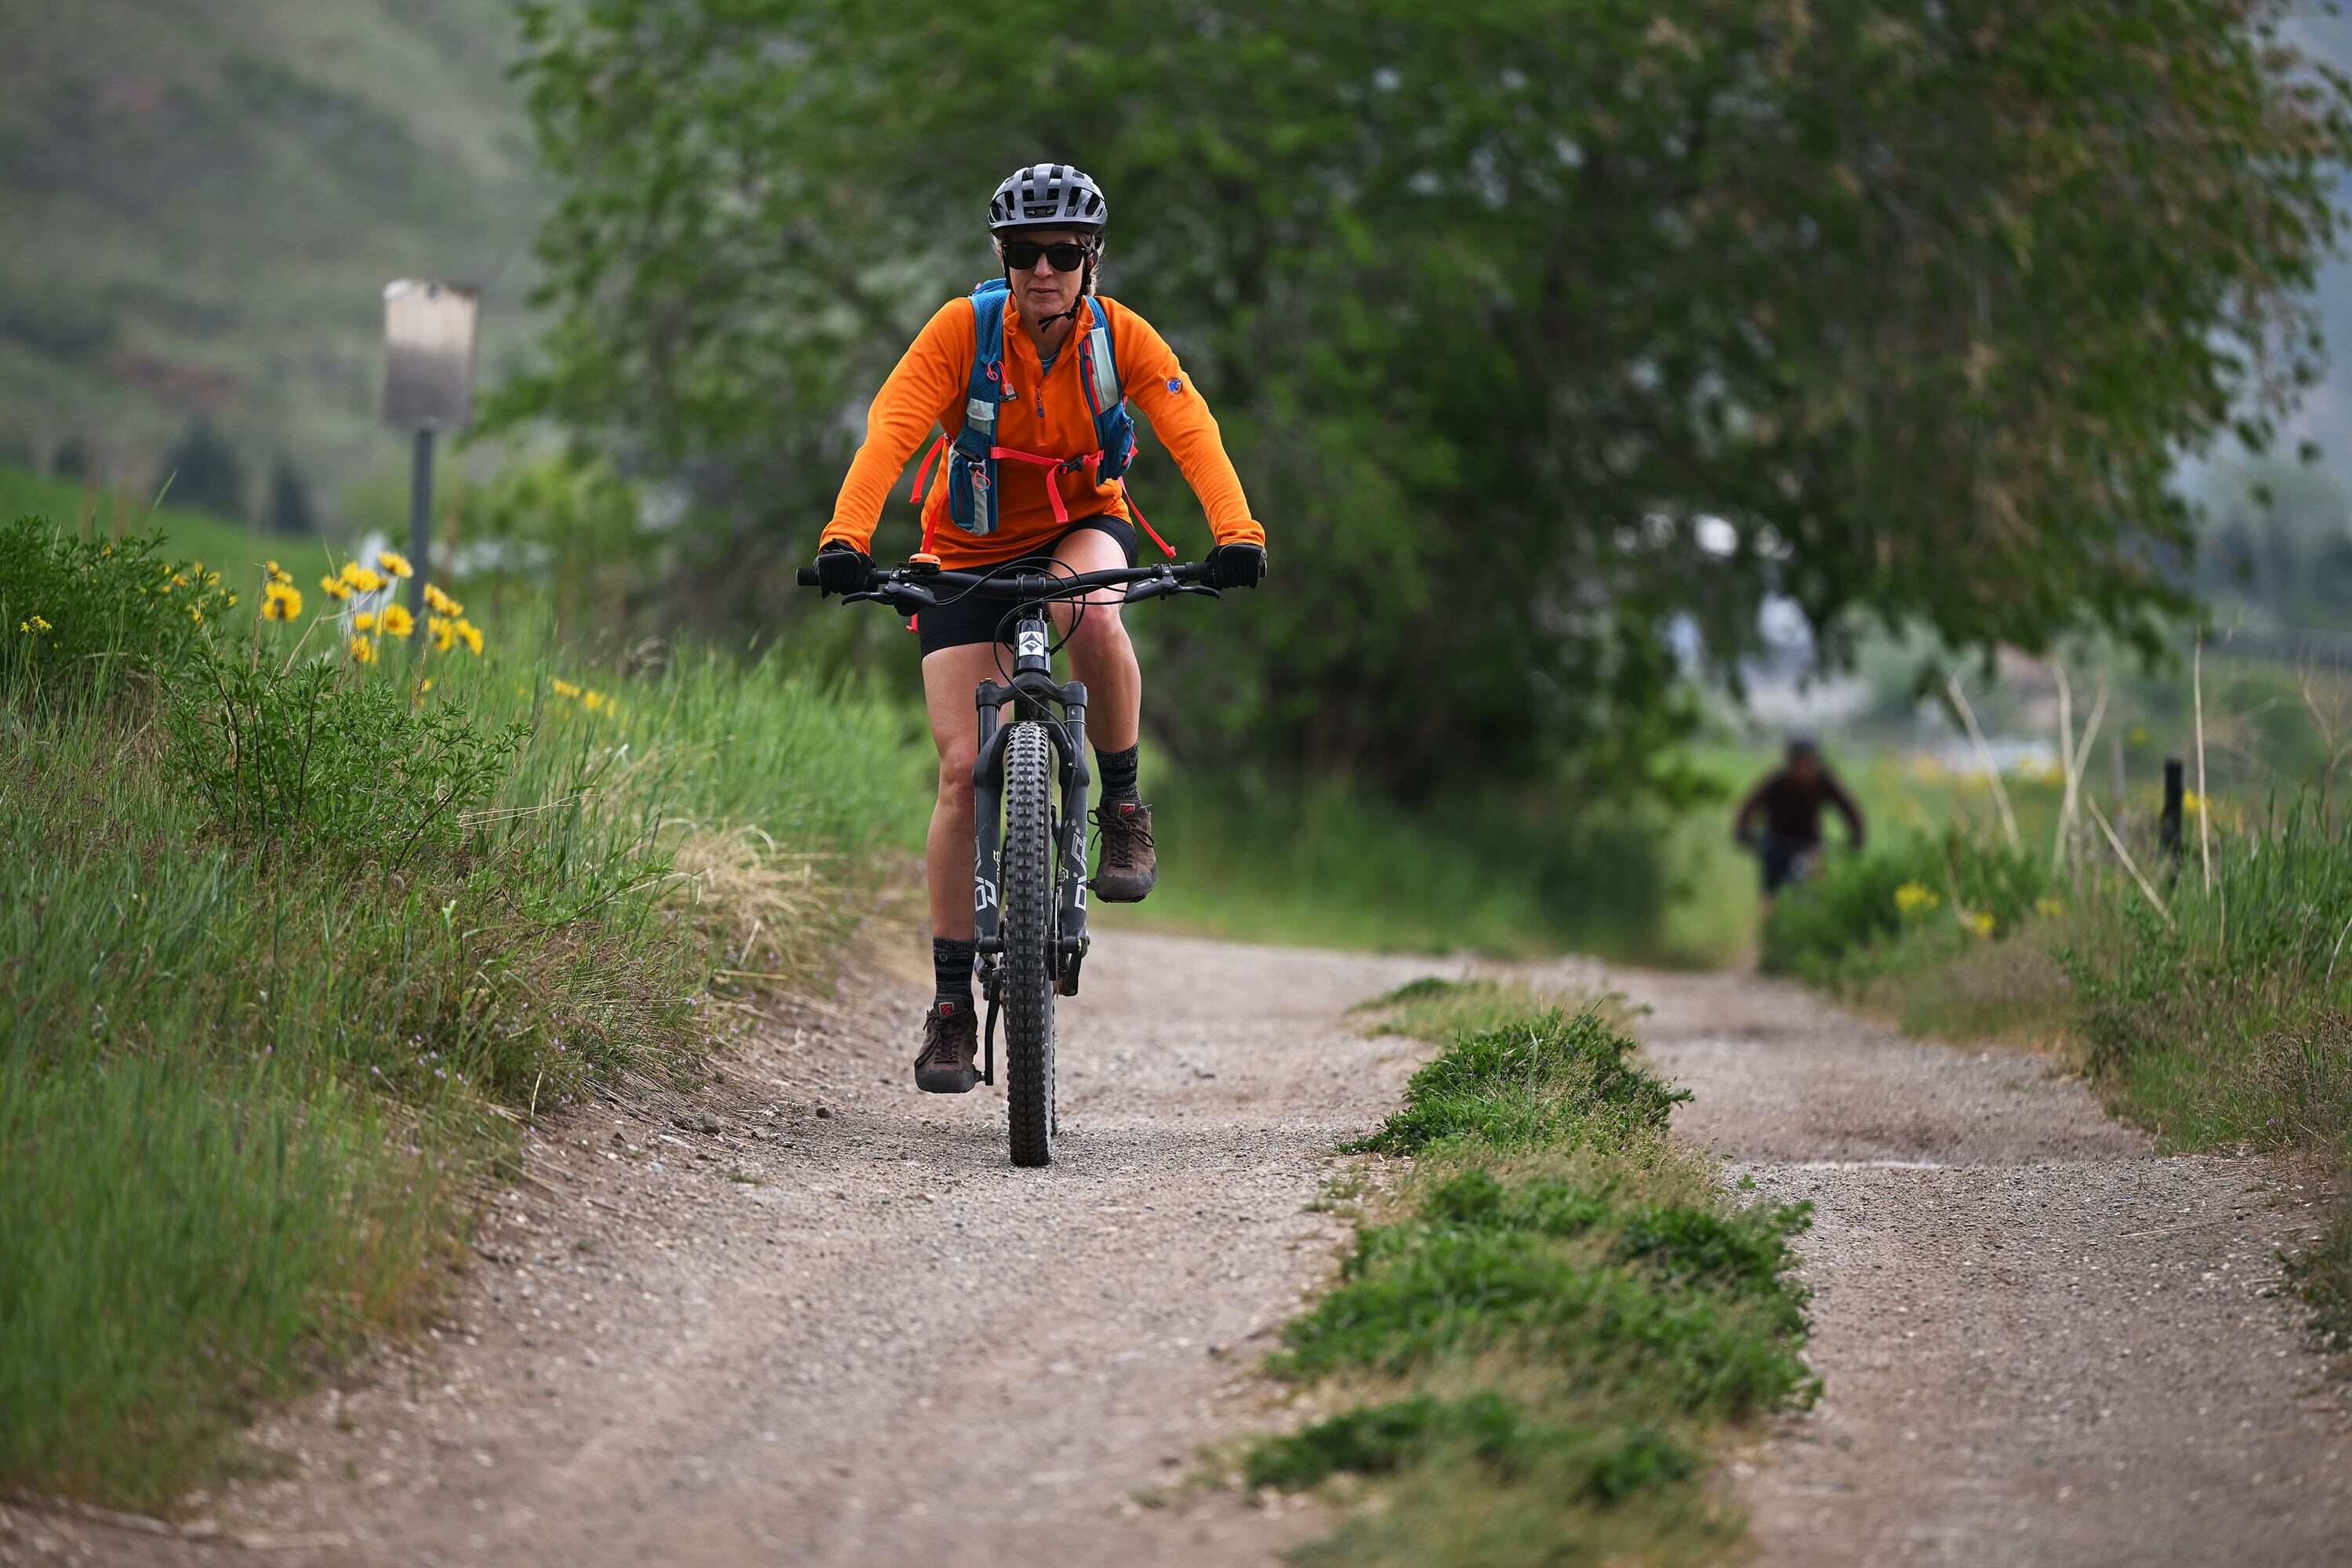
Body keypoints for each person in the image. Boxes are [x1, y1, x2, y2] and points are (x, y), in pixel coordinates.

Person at [811, 162, 1267, 1094]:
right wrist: (846, 536)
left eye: (1064, 252)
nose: (1045, 269)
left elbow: (1193, 431)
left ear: (1091, 259)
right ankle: (949, 1008)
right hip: (964, 552)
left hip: (1077, 532)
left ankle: (1123, 807)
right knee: (952, 773)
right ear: (1004, 259)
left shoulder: (1121, 338)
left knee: (1099, 609)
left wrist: (1238, 532)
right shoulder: (961, 332)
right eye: (1026, 253)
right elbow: (892, 428)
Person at [1734, 734, 1864, 908]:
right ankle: (1770, 925)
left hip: (1809, 844)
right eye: (1800, 764)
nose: (1805, 770)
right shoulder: (1778, 782)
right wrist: (1743, 831)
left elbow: (1847, 806)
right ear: (1791, 765)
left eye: (1809, 763)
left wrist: (1856, 832)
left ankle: (1812, 922)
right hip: (1777, 843)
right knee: (1771, 894)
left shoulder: (1823, 781)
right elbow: (1750, 805)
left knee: (1816, 885)